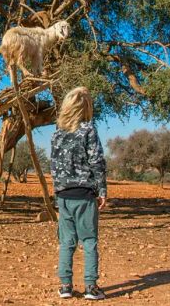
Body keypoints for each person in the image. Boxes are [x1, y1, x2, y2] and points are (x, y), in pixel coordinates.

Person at [51, 87, 107, 300]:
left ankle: (65, 286)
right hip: (84, 195)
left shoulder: (58, 131)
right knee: (90, 240)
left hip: (63, 196)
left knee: (66, 242)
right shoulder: (88, 130)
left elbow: (54, 165)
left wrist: (57, 191)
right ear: (86, 107)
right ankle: (91, 288)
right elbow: (97, 162)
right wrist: (102, 190)